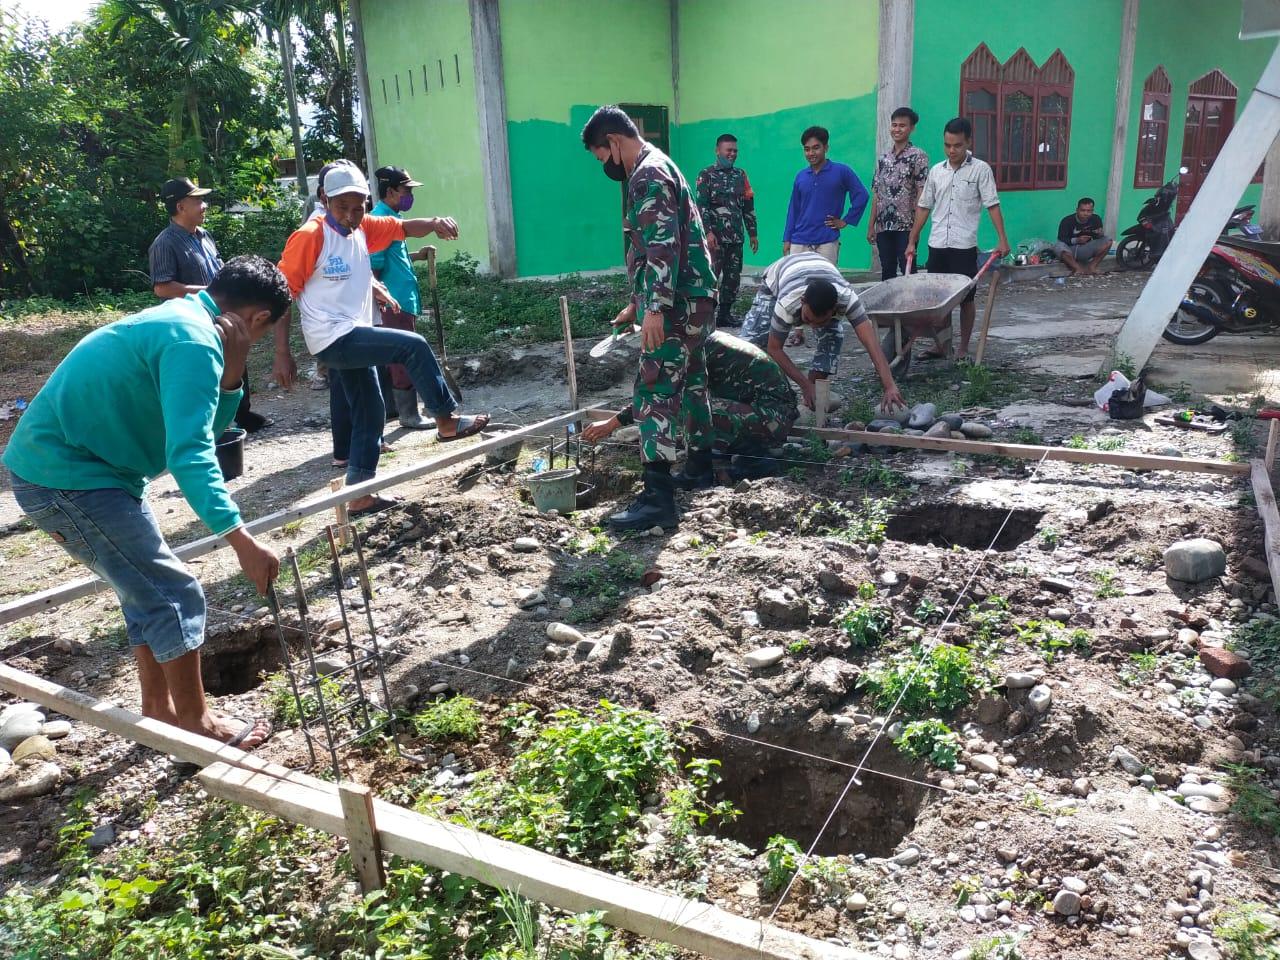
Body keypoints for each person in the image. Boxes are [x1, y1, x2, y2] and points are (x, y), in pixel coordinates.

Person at [2, 256, 290, 749]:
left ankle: (159, 713)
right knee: (175, 592)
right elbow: (191, 454)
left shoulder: (187, 321)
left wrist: (233, 374)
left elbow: (203, 430)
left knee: (146, 590)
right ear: (258, 318)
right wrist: (240, 539)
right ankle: (198, 724)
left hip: (94, 472)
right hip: (65, 477)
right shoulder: (192, 341)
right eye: (265, 332)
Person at [275, 163, 489, 515]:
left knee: (370, 410)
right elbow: (281, 294)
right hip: (332, 337)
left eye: (358, 207)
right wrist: (282, 353)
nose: (350, 216)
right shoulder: (310, 235)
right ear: (325, 199)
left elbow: (402, 228)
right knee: (412, 346)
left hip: (351, 332)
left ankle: (360, 493)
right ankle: (446, 420)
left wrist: (435, 223)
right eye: (342, 207)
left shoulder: (361, 227)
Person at [581, 104, 718, 527]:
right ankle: (700, 466)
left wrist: (654, 307)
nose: (606, 167)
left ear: (614, 142)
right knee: (692, 381)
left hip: (676, 303)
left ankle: (657, 498)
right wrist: (637, 303)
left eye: (603, 157)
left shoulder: (647, 174)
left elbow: (662, 244)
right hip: (695, 298)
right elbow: (660, 247)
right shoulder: (662, 166)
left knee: (655, 386)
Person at [584, 330, 798, 484]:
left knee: (692, 408)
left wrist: (612, 423)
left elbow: (662, 396)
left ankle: (754, 461)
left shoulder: (691, 349)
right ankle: (741, 454)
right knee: (695, 407)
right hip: (767, 413)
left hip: (772, 417)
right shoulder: (698, 337)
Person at [148, 177, 271, 433]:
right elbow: (162, 288)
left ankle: (242, 413)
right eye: (198, 201)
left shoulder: (204, 235)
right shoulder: (164, 243)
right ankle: (213, 423)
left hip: (222, 312)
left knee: (236, 356)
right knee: (205, 367)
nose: (204, 205)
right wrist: (210, 292)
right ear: (181, 207)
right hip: (192, 318)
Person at [739, 252, 904, 414]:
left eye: (821, 322)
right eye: (807, 319)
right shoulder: (788, 302)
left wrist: (890, 386)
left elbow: (871, 344)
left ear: (834, 308)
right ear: (802, 301)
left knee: (833, 337)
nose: (813, 327)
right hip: (779, 277)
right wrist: (804, 385)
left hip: (820, 270)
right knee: (750, 346)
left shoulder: (847, 299)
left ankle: (811, 398)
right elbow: (774, 348)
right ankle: (746, 398)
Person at [906, 117, 1011, 362]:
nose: (952, 150)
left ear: (968, 142)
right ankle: (942, 346)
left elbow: (992, 205)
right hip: (937, 244)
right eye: (947, 145)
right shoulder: (937, 171)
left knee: (966, 299)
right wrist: (912, 240)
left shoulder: (980, 170)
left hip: (963, 246)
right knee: (939, 301)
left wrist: (1002, 239)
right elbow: (924, 207)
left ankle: (963, 348)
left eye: (957, 145)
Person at [370, 165, 435, 429]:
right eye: (406, 190)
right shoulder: (380, 221)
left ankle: (393, 409)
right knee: (402, 357)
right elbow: (374, 265)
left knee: (395, 356)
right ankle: (409, 414)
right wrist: (379, 298)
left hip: (400, 299)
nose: (410, 196)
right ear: (390, 192)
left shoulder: (392, 218)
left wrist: (417, 255)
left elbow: (392, 258)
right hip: (393, 301)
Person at [695, 134, 758, 327]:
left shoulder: (741, 175)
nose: (732, 154)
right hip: (715, 239)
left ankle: (724, 314)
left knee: (732, 279)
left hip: (736, 238)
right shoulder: (706, 175)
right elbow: (701, 207)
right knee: (710, 277)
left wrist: (753, 233)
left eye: (735, 151)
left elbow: (748, 205)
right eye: (728, 150)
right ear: (718, 151)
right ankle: (706, 317)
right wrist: (708, 233)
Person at [782, 125, 869, 265]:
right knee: (798, 279)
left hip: (827, 241)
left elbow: (862, 195)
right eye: (807, 149)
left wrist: (846, 220)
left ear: (826, 148)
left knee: (825, 279)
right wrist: (787, 239)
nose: (811, 153)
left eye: (816, 148)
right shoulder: (801, 176)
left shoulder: (841, 171)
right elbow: (794, 209)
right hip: (799, 241)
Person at [868, 108, 929, 281]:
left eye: (902, 126)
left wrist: (915, 231)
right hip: (883, 226)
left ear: (912, 128)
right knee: (887, 271)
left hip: (906, 226)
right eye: (894, 125)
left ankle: (912, 300)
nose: (897, 129)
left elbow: (921, 193)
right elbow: (877, 193)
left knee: (908, 270)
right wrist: (871, 225)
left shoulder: (918, 156)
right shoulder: (883, 159)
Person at [1054, 197, 1110, 275]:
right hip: (1070, 249)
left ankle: (1092, 267)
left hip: (1086, 248)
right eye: (1083, 210)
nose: (1085, 213)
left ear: (1092, 211)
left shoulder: (1096, 219)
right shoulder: (1067, 221)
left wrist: (1100, 234)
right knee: (1059, 246)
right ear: (1077, 210)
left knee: (1108, 240)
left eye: (1088, 211)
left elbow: (1097, 238)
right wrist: (1077, 240)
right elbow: (1062, 238)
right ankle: (1077, 269)